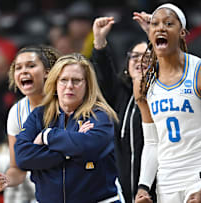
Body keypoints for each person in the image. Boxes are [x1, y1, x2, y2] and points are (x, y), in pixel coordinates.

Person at [133, 3, 201, 203]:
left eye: (168, 23)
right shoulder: (143, 82)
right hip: (167, 178)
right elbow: (151, 142)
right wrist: (143, 187)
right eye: (155, 24)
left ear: (182, 33)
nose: (161, 28)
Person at [14, 53, 122, 203]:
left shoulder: (101, 116)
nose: (69, 86)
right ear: (55, 83)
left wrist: (48, 136)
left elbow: (88, 147)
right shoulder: (39, 115)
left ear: (87, 85)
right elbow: (22, 157)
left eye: (76, 80)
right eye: (63, 80)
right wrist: (71, 148)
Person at [92, 16, 156, 203]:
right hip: (122, 184)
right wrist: (99, 41)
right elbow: (103, 73)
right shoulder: (120, 94)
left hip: (159, 183)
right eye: (134, 56)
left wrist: (153, 33)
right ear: (127, 65)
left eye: (146, 56)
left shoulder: (163, 92)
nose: (140, 60)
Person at [0, 45, 60, 203]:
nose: (23, 71)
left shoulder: (65, 102)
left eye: (31, 65)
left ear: (47, 72)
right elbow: (17, 168)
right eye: (18, 68)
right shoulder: (16, 111)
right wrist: (6, 179)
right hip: (44, 191)